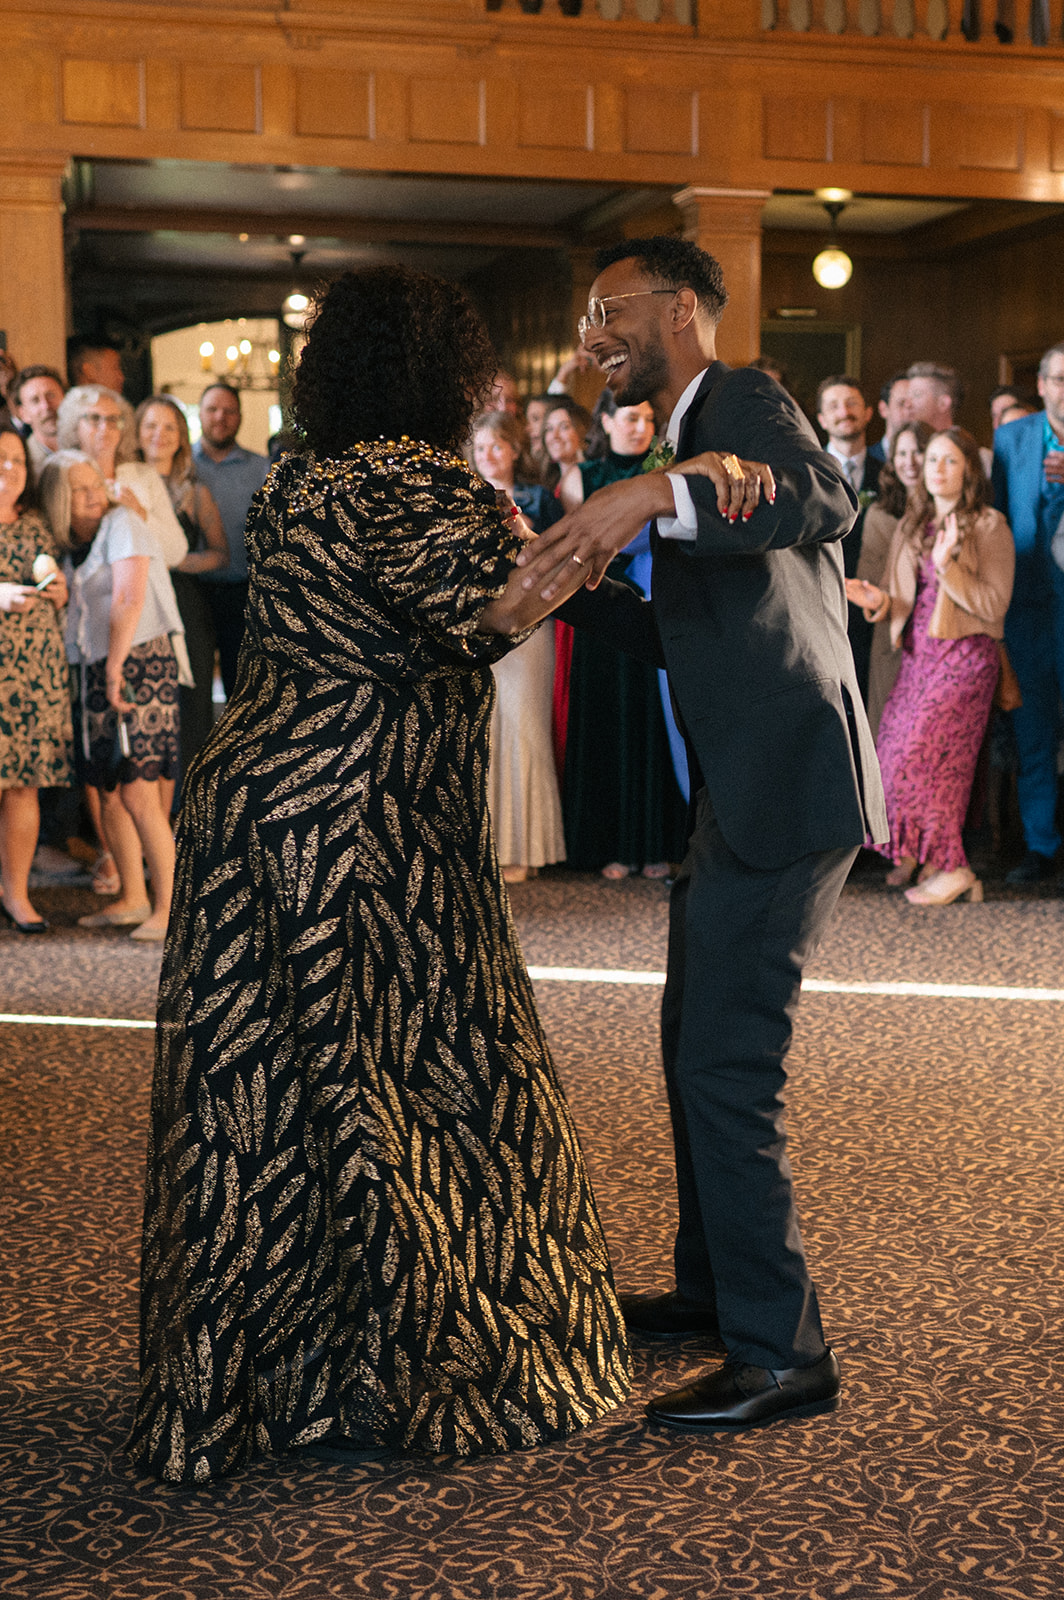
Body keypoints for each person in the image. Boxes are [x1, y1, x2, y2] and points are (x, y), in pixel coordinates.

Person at [130, 265, 630, 1486]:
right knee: (399, 1087)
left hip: (258, 803)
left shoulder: (305, 474)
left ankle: (260, 1385)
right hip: (361, 830)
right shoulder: (403, 475)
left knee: (260, 1109)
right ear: (441, 370)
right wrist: (618, 522)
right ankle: (421, 1365)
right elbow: (489, 611)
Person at [518, 235, 885, 1433]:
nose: (588, 340)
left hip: (786, 787)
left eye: (603, 313)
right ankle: (713, 1288)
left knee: (727, 1063)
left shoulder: (739, 401)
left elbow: (823, 497)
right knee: (692, 1037)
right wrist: (566, 577)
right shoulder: (692, 434)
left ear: (679, 310)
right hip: (747, 782)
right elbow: (696, 632)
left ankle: (783, 1353)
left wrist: (642, 491)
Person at [848, 429, 1013, 904]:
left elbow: (995, 603)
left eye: (950, 461)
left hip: (966, 660)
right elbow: (900, 596)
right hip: (918, 658)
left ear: (969, 472)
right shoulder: (913, 524)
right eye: (932, 460)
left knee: (937, 765)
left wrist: (948, 567)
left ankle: (954, 867)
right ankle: (941, 862)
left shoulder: (989, 525)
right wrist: (874, 598)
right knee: (892, 759)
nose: (937, 468)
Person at [40, 450, 185, 943]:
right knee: (110, 788)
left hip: (138, 660)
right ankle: (132, 897)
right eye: (79, 490)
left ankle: (169, 908)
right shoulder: (66, 544)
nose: (94, 495)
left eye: (94, 485)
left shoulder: (123, 522)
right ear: (59, 500)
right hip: (97, 666)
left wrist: (117, 667)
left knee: (140, 791)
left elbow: (129, 596)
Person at [554, 392, 684, 878]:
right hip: (602, 606)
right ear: (606, 421)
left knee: (656, 728)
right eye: (631, 418)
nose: (640, 427)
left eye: (649, 419)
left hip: (658, 604)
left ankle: (657, 845)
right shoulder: (582, 477)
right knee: (609, 726)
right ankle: (612, 844)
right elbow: (574, 546)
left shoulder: (668, 474)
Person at [470, 408, 566, 883]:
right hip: (476, 625)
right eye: (480, 447)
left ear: (514, 449)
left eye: (497, 446)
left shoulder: (541, 498)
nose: (488, 455)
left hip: (529, 624)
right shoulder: (458, 499)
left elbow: (563, 554)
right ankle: (483, 848)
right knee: (483, 733)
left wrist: (524, 531)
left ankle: (525, 847)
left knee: (524, 730)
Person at [991, 340, 1064, 883]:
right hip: (1027, 612)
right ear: (1041, 385)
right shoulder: (1011, 438)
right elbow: (994, 523)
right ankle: (1040, 847)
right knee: (1033, 735)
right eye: (1059, 379)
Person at [0, 426, 72, 933]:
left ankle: (18, 894)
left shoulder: (34, 524)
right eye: (0, 458)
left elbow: (52, 582)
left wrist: (57, 586)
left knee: (24, 787)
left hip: (34, 672)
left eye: (17, 461)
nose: (10, 468)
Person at [135, 396, 229, 777]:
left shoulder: (194, 491)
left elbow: (221, 553)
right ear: (137, 433)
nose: (160, 435)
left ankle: (189, 797)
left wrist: (176, 561)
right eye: (150, 426)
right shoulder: (125, 481)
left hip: (186, 602)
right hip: (138, 599)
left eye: (169, 427)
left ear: (181, 435)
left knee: (191, 703)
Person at [856, 420, 934, 737]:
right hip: (894, 634)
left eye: (918, 451)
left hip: (940, 640)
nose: (910, 461)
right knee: (889, 740)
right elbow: (870, 582)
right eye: (901, 453)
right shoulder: (881, 513)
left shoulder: (951, 510)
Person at [192, 383, 270, 699]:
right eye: (212, 409)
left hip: (243, 594)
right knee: (194, 688)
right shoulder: (182, 465)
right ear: (199, 414)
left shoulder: (262, 468)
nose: (220, 417)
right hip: (193, 592)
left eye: (229, 411)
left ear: (240, 417)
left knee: (242, 688)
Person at [9, 366, 65, 480]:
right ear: (23, 414)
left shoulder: (86, 447)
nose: (46, 406)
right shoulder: (23, 461)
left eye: (51, 395)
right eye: (35, 400)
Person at [867, 371, 912, 468]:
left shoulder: (931, 460)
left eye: (915, 404)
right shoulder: (865, 460)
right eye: (901, 403)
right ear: (883, 409)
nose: (909, 410)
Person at [906, 362, 960, 432]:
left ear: (943, 403)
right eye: (908, 396)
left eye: (917, 395)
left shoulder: (956, 442)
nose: (907, 404)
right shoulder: (909, 440)